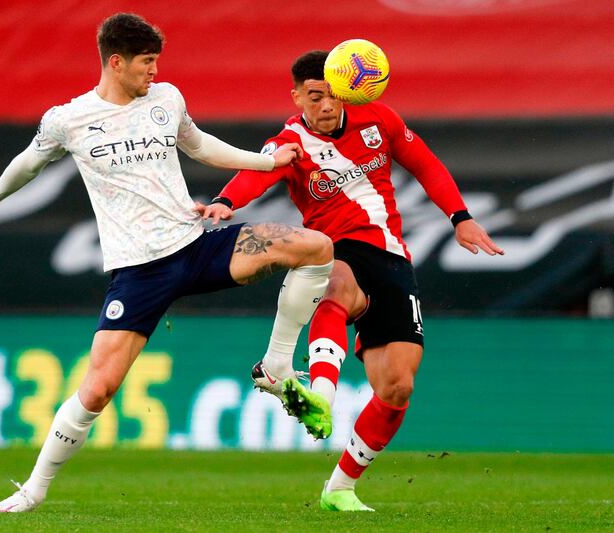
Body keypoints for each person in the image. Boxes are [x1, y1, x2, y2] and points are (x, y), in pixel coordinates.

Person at [0, 15, 334, 513]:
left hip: (195, 246)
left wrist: (267, 162)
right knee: (97, 389)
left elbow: (201, 145)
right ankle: (33, 489)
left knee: (314, 246)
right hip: (140, 271)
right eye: (146, 62)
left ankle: (276, 365)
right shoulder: (68, 120)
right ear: (115, 62)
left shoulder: (167, 100)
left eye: (157, 61)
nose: (154, 72)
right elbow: (29, 163)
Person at [202, 50, 504, 511]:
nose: (326, 106)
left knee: (398, 386)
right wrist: (226, 200)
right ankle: (321, 394)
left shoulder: (378, 118)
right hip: (331, 247)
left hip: (391, 255)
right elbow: (253, 175)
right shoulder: (290, 141)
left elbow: (425, 165)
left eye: (332, 95)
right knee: (337, 284)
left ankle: (340, 487)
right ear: (297, 96)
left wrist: (460, 217)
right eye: (314, 96)